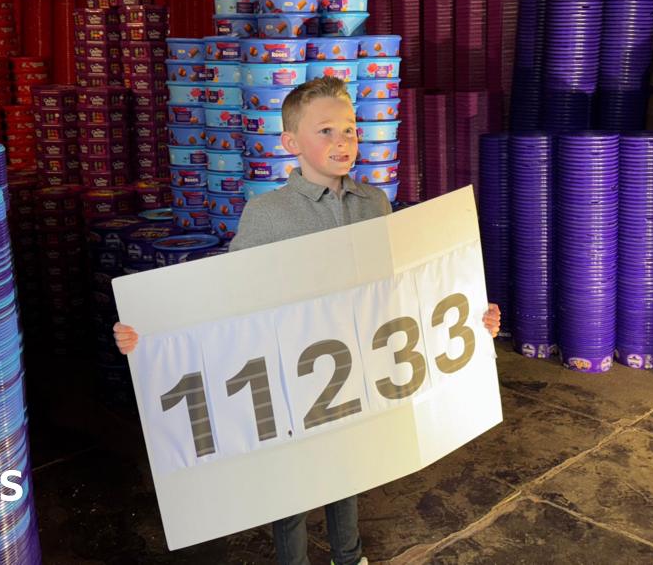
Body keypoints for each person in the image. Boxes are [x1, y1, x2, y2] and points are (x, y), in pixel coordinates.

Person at [114, 76, 502, 565]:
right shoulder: (268, 214)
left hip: (357, 365)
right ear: (290, 143)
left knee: (348, 466)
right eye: (325, 131)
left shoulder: (374, 205)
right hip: (290, 374)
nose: (342, 141)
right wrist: (149, 334)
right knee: (293, 485)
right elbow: (223, 299)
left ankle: (349, 555)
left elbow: (403, 291)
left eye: (350, 130)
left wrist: (469, 316)